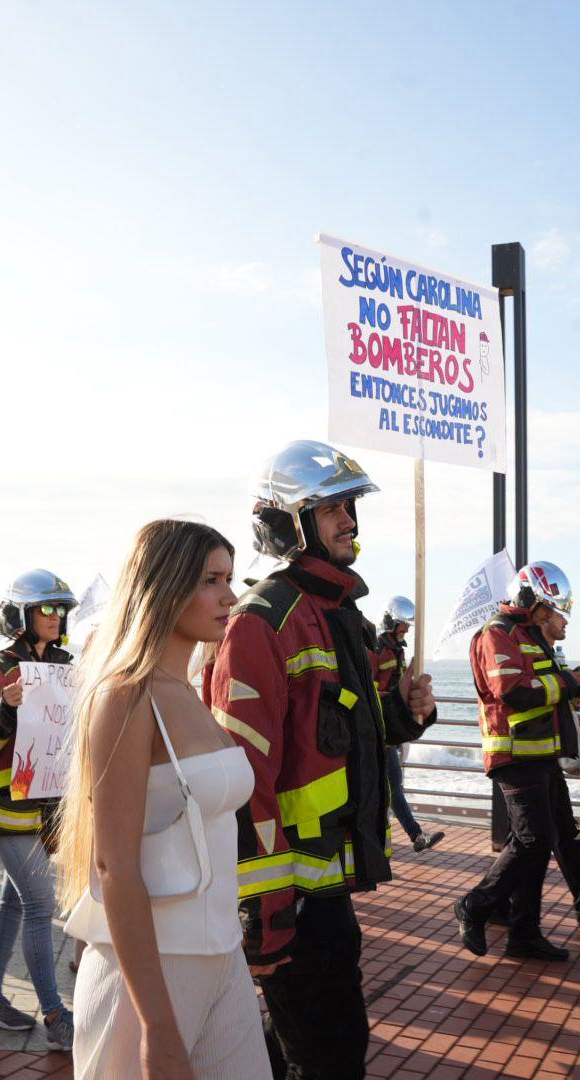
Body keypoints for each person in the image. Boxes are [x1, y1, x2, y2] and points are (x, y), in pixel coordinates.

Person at [205, 439, 435, 1078]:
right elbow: (240, 782)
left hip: (325, 887)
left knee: (295, 1055)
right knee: (332, 1059)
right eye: (332, 508)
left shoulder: (338, 615)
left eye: (350, 506)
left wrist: (410, 715)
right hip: (291, 896)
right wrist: (265, 912)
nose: (350, 521)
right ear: (289, 521)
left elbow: (352, 737)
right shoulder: (261, 623)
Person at [58, 520, 271, 1078]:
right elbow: (114, 866)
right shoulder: (127, 694)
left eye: (230, 578)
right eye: (211, 580)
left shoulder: (190, 692)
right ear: (164, 587)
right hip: (146, 976)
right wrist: (156, 1026)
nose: (231, 596)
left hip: (221, 953)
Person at [454, 561, 580, 962]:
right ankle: (476, 905)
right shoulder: (497, 634)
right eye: (554, 610)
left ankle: (525, 932)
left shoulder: (527, 636)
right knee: (534, 841)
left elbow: (547, 688)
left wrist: (579, 683)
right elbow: (514, 691)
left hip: (540, 753)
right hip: (514, 754)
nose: (558, 618)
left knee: (546, 838)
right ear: (533, 603)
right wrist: (571, 682)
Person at [0, 569, 76, 1048]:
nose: (55, 616)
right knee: (39, 906)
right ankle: (54, 1016)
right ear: (21, 615)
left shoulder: (66, 667)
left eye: (60, 609)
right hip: (10, 811)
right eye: (46, 608)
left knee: (13, 902)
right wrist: (4, 710)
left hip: (47, 810)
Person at [375, 596, 442, 854]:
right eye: (402, 626)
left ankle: (408, 836)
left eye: (407, 627)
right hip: (380, 727)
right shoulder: (378, 649)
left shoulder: (397, 651)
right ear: (391, 623)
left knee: (391, 786)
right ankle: (412, 835)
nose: (406, 631)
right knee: (390, 786)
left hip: (391, 728)